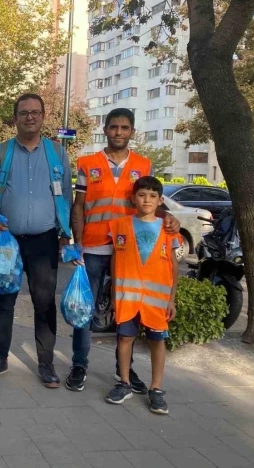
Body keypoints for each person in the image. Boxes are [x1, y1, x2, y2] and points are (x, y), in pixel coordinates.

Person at [67, 108, 180, 393]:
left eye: (124, 127)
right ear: (105, 129)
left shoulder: (144, 164)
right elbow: (78, 206)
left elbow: (152, 202)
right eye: (114, 127)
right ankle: (79, 365)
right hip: (93, 247)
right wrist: (77, 244)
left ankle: (124, 371)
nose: (119, 132)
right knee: (84, 309)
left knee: (126, 312)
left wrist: (169, 216)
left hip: (129, 252)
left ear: (132, 131)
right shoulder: (87, 163)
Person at [0, 93, 72, 385]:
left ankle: (46, 364)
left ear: (43, 116)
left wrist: (65, 234)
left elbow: (65, 196)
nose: (30, 117)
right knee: (4, 301)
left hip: (44, 241)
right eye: (24, 113)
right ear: (15, 118)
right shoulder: (0, 152)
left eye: (35, 112)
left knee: (44, 303)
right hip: (7, 241)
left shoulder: (57, 153)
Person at [106, 176, 179, 415]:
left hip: (156, 302)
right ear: (133, 198)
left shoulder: (168, 229)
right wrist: (114, 294)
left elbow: (173, 266)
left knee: (157, 341)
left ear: (160, 200)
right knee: (125, 339)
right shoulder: (120, 225)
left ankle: (156, 388)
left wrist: (171, 299)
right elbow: (115, 261)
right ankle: (124, 383)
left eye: (152, 196)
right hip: (127, 297)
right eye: (142, 195)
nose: (147, 200)